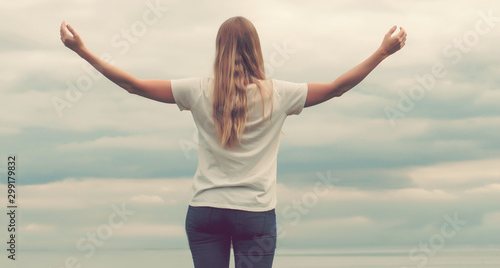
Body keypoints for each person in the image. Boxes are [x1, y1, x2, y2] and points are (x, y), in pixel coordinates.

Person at [60, 16, 406, 268]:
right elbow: (337, 87)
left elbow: (133, 85)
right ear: (255, 49)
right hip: (254, 214)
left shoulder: (196, 89)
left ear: (219, 49)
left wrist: (82, 50)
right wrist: (382, 52)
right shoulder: (279, 93)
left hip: (205, 210)